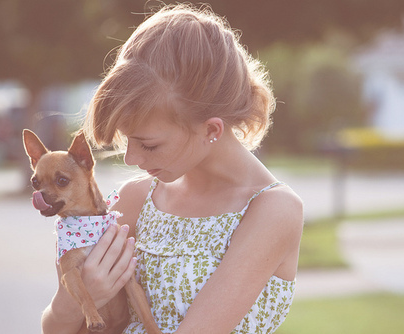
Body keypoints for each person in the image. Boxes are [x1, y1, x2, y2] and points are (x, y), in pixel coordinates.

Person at [41, 4, 303, 334]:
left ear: (211, 130)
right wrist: (73, 300)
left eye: (148, 144)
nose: (131, 159)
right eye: (126, 138)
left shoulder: (272, 210)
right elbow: (56, 328)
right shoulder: (134, 200)